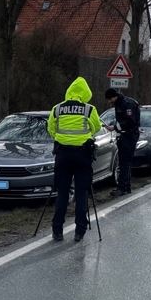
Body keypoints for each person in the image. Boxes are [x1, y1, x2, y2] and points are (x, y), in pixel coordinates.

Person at [47, 76, 103, 242]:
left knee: (62, 192)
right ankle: (80, 230)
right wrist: (86, 135)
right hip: (82, 155)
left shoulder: (57, 109)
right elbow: (97, 127)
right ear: (86, 93)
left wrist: (61, 138)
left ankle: (57, 230)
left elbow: (50, 128)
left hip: (62, 155)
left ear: (69, 91)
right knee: (81, 192)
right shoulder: (89, 109)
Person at [103, 87, 140, 195]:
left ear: (113, 97)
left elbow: (130, 122)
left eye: (109, 99)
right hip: (125, 135)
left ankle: (122, 188)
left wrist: (115, 127)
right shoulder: (120, 103)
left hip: (129, 136)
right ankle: (125, 187)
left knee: (124, 163)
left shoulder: (127, 104)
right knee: (124, 162)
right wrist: (115, 128)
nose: (109, 102)